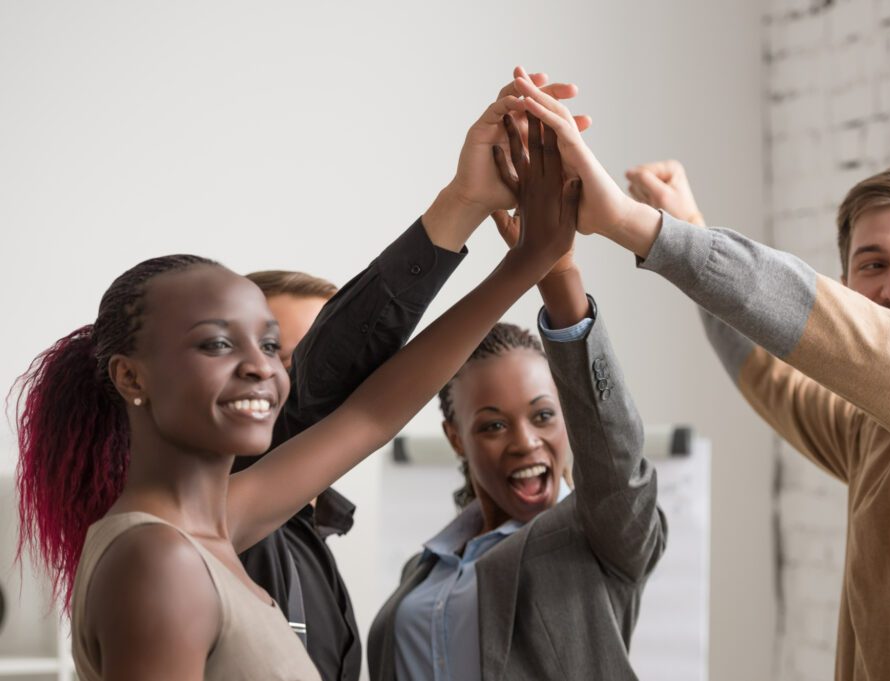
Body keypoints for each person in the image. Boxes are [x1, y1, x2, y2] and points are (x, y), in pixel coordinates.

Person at [12, 85, 580, 680]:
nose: (263, 367)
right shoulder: (160, 559)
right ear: (131, 376)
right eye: (216, 343)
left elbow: (370, 416)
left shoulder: (217, 526)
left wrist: (526, 261)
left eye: (267, 344)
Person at [514, 73, 890, 680]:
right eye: (874, 264)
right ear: (850, 288)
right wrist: (688, 226)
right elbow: (769, 371)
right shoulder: (872, 431)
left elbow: (857, 339)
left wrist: (635, 225)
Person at [232, 70, 590, 681]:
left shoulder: (312, 544)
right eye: (279, 361)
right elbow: (356, 399)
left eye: (295, 362)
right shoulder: (218, 526)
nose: (293, 388)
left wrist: (475, 209)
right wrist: (476, 215)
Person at [366, 110, 666, 681]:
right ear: (455, 436)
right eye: (493, 425)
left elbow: (618, 466)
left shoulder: (597, 537)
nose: (525, 442)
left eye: (544, 415)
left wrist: (556, 271)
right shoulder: (424, 568)